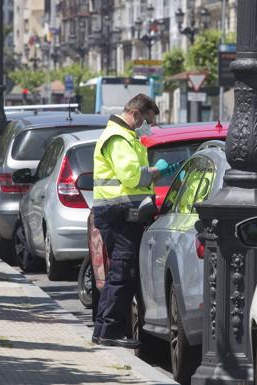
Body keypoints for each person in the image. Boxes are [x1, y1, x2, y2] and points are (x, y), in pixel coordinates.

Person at [91, 94, 180, 348]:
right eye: (148, 120)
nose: (147, 125)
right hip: (119, 213)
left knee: (120, 272)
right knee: (122, 272)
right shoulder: (118, 138)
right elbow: (131, 176)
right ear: (137, 114)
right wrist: (155, 172)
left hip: (120, 212)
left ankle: (104, 330)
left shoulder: (125, 136)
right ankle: (109, 331)